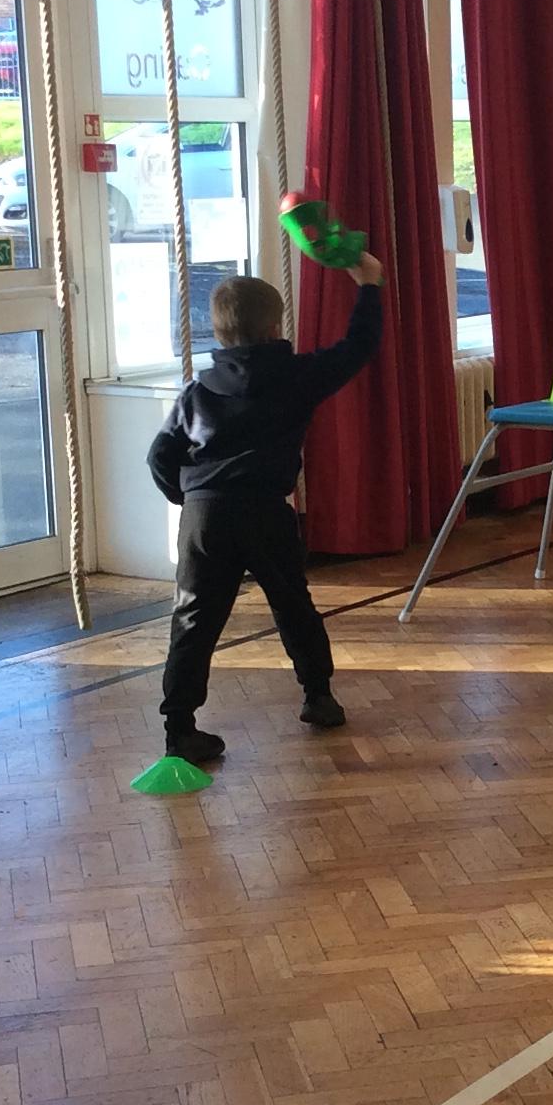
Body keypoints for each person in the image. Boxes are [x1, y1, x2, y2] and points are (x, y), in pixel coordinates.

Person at [147, 255, 383, 763]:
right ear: (276, 327)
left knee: (193, 618)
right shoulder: (298, 376)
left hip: (205, 515)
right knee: (293, 604)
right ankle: (318, 697)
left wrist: (189, 498)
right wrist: (368, 285)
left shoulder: (196, 392)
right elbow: (358, 346)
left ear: (219, 331)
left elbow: (160, 456)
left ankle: (179, 729)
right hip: (265, 511)